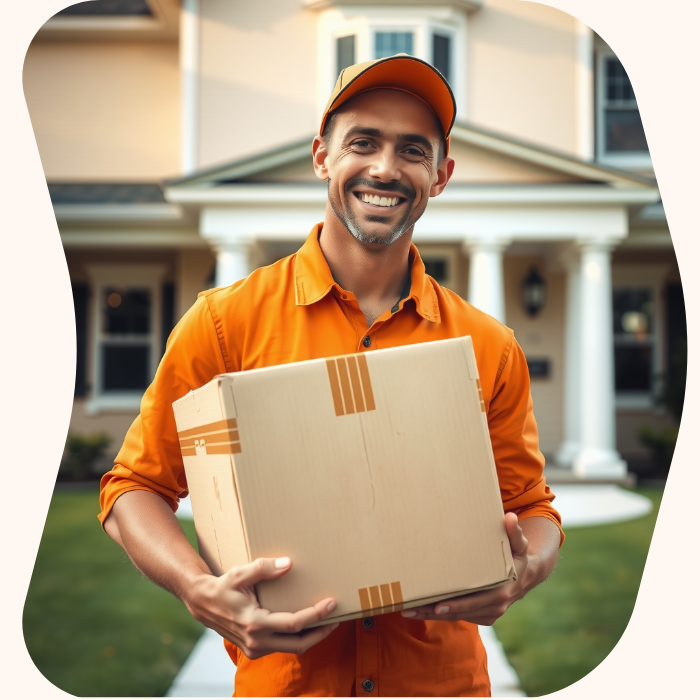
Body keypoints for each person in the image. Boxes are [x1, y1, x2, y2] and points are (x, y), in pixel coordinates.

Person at [99, 54, 563, 697]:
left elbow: (533, 510)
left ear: (441, 174)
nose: (384, 168)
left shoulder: (488, 346)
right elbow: (134, 488)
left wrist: (525, 567)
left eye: (412, 150)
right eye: (362, 142)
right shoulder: (225, 323)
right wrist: (198, 588)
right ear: (322, 156)